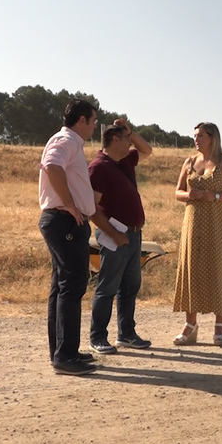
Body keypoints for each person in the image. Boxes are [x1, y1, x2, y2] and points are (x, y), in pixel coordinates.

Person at [38, 99, 99, 376]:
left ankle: (65, 351)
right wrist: (71, 205)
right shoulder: (67, 141)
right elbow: (51, 166)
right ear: (82, 120)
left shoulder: (71, 142)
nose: (96, 125)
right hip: (65, 220)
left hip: (64, 220)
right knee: (72, 285)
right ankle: (64, 356)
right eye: (94, 120)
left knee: (62, 287)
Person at [172, 122, 222, 346]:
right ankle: (190, 324)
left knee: (216, 268)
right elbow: (177, 192)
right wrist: (189, 194)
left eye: (200, 135)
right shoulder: (189, 162)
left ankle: (219, 323)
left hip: (216, 224)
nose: (196, 139)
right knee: (191, 269)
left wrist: (218, 197)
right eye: (195, 135)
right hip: (192, 222)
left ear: (212, 138)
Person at [88, 118, 153, 353]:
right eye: (126, 139)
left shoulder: (124, 161)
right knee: (107, 288)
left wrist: (130, 131)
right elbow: (92, 208)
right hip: (115, 236)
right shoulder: (98, 167)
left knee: (130, 287)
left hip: (134, 235)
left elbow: (147, 150)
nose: (130, 144)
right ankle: (97, 337)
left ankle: (126, 334)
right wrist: (114, 234)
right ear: (114, 140)